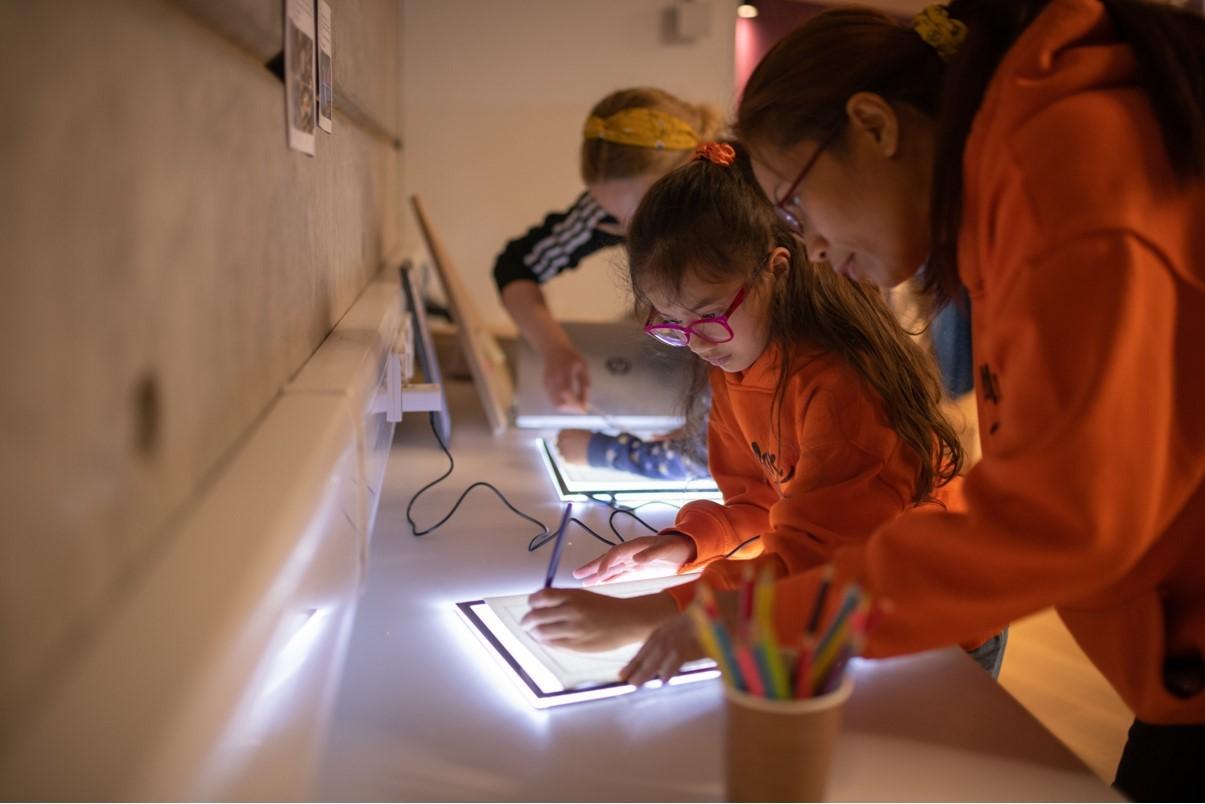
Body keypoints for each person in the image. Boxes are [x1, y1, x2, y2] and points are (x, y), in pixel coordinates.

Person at [625, 3, 1205, 798]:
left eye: (793, 207)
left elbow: (1063, 513)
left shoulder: (1066, 185)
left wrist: (750, 623)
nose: (809, 244)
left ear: (874, 126)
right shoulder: (1020, 184)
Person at [522, 141, 1007, 674]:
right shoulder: (736, 363)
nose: (699, 342)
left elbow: (813, 568)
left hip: (937, 626)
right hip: (852, 612)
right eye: (672, 324)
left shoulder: (844, 390)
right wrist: (687, 544)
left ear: (776, 270)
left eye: (707, 315)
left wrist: (658, 614)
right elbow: (760, 504)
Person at [493, 86, 724, 412]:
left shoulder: (733, 205)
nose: (631, 231)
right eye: (616, 217)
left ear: (687, 173)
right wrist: (554, 350)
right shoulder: (605, 212)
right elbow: (516, 266)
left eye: (642, 213)